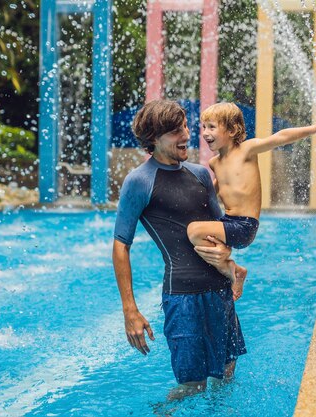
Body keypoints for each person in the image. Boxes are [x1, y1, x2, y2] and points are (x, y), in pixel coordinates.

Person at [112, 99, 247, 400]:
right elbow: (121, 246)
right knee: (192, 385)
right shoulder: (139, 182)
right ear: (153, 140)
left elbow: (220, 226)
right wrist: (130, 310)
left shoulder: (200, 175)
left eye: (186, 126)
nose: (186, 135)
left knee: (227, 372)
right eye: (175, 131)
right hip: (182, 298)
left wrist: (229, 259)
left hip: (220, 291)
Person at [187, 102, 316, 300]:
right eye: (204, 127)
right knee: (190, 233)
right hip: (227, 222)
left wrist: (315, 128)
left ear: (232, 130)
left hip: (244, 225)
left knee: (194, 230)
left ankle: (231, 267)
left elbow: (280, 137)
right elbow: (214, 191)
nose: (205, 133)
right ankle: (229, 260)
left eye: (212, 127)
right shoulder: (215, 163)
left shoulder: (247, 150)